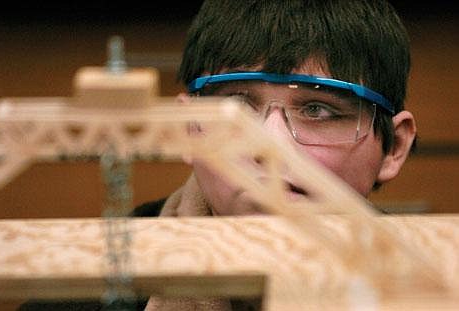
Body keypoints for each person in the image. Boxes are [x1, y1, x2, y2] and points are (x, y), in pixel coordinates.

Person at [133, 0, 417, 310]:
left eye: (317, 110)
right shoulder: (97, 278)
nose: (271, 145)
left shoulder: (436, 279)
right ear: (188, 130)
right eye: (238, 107)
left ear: (394, 147)